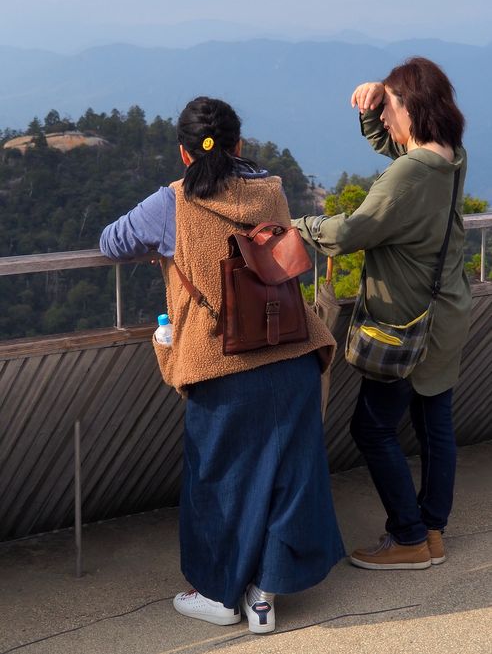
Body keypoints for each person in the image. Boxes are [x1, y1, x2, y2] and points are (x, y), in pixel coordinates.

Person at [100, 96, 345, 633]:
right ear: (239, 145)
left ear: (184, 155)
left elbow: (111, 241)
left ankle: (219, 595)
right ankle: (265, 595)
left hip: (221, 363)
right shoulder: (272, 191)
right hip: (291, 351)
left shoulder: (172, 204)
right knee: (291, 474)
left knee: (220, 483)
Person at [292, 57, 471, 570]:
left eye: (391, 109)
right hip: (448, 312)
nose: (386, 120)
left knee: (371, 429)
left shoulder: (412, 174)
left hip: (405, 322)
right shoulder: (451, 156)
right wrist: (375, 103)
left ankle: (409, 538)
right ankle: (432, 529)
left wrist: (293, 224)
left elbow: (348, 234)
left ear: (412, 109)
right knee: (434, 420)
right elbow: (396, 150)